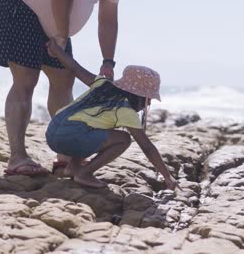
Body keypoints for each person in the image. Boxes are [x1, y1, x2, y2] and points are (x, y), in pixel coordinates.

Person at [0, 0, 171, 175]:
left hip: (54, 25)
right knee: (26, 78)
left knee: (64, 81)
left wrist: (108, 62)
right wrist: (62, 37)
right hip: (17, 2)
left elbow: (108, 21)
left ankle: (66, 157)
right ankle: (17, 158)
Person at [44, 39, 179, 190]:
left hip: (52, 132)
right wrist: (167, 175)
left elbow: (75, 68)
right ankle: (84, 174)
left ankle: (73, 168)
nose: (148, 104)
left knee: (93, 128)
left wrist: (56, 51)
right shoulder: (125, 110)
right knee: (123, 139)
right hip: (71, 136)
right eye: (148, 99)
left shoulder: (102, 84)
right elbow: (146, 146)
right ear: (139, 96)